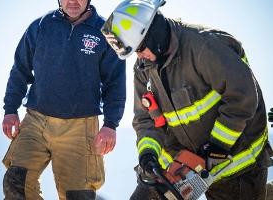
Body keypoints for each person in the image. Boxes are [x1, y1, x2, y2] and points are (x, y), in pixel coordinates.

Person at [101, 0, 272, 199]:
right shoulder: (144, 68)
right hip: (184, 164)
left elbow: (242, 96)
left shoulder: (204, 47)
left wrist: (217, 146)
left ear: (154, 32)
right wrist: (148, 154)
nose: (139, 56)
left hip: (236, 163)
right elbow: (145, 119)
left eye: (140, 48)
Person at [2, 0, 126, 199]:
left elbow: (115, 83)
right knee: (16, 184)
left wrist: (111, 124)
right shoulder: (41, 26)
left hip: (80, 128)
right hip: (36, 121)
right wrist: (10, 109)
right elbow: (20, 70)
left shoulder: (106, 33)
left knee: (77, 196)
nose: (73, 1)